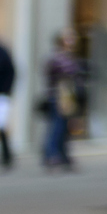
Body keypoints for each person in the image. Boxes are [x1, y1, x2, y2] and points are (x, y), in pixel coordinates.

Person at [41, 30, 83, 172]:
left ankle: (63, 156)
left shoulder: (67, 58)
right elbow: (61, 76)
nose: (71, 42)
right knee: (57, 127)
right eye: (68, 39)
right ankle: (52, 155)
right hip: (59, 97)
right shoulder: (57, 58)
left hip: (67, 97)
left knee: (64, 128)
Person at [0, 29, 15, 170]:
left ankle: (6, 155)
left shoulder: (1, 52)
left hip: (0, 94)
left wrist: (5, 90)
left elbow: (10, 72)